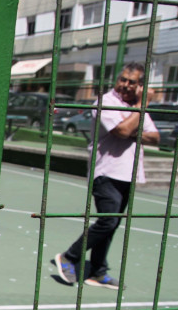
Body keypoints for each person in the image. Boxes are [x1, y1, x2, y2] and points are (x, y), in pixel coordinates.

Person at [53, 63, 159, 290]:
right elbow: (120, 132)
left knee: (113, 224)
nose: (125, 85)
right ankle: (70, 257)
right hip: (106, 171)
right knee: (108, 220)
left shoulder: (134, 108)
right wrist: (141, 107)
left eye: (132, 82)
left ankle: (98, 271)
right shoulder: (106, 102)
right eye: (123, 79)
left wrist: (133, 126)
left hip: (128, 173)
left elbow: (155, 138)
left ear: (140, 85)